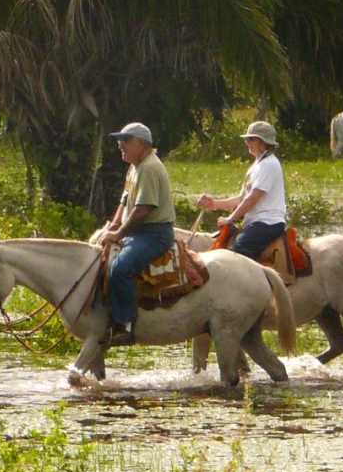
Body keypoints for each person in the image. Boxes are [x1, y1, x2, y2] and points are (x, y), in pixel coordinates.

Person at [98, 122, 176, 345]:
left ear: (141, 144)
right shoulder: (135, 166)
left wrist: (119, 234)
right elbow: (125, 202)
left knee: (121, 268)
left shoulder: (149, 167)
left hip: (153, 234)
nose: (120, 145)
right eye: (120, 141)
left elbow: (143, 209)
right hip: (139, 231)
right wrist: (112, 226)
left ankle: (125, 325)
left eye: (126, 141)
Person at [196, 120, 287, 259]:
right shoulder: (258, 164)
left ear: (263, 142)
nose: (247, 142)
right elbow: (241, 199)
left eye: (251, 139)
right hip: (258, 223)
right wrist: (214, 203)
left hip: (268, 223)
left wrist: (230, 219)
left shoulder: (269, 164)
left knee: (237, 252)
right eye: (247, 139)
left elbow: (252, 198)